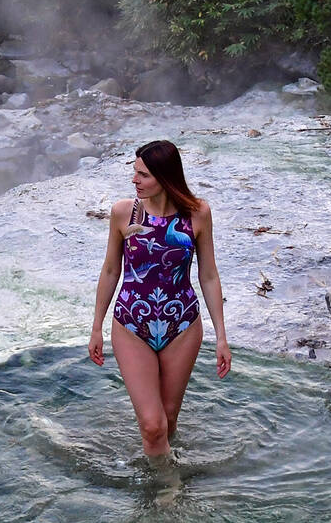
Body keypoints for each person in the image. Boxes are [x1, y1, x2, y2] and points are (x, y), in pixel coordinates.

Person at [89, 139, 230, 456]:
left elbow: (208, 275)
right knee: (153, 426)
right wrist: (96, 327)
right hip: (131, 324)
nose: (134, 180)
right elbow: (111, 270)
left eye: (143, 175)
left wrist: (221, 336)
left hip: (182, 326)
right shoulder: (123, 214)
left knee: (167, 419)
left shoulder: (198, 214)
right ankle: (165, 493)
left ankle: (164, 471)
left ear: (165, 177)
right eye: (134, 173)